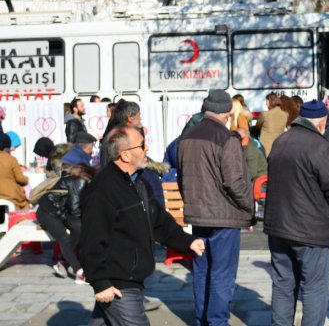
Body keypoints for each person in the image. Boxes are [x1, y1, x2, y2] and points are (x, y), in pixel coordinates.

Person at [81, 126, 205, 325]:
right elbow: (92, 240)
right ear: (126, 154)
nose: (147, 148)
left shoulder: (139, 182)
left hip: (133, 276)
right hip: (118, 280)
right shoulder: (102, 190)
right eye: (142, 145)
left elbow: (158, 221)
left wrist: (187, 242)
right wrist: (101, 283)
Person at [176, 89, 254, 326]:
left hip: (199, 216)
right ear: (228, 112)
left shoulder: (186, 137)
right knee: (222, 274)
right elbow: (234, 182)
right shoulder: (226, 138)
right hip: (224, 216)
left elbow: (182, 177)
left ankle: (202, 320)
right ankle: (217, 322)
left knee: (201, 271)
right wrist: (248, 207)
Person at [265, 100, 329, 326]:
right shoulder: (319, 146)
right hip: (310, 230)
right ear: (321, 123)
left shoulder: (280, 141)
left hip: (278, 227)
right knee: (315, 289)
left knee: (282, 285)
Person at [39, 131, 98, 283]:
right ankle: (79, 271)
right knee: (64, 236)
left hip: (62, 210)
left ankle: (63, 262)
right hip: (48, 211)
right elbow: (75, 208)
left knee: (79, 227)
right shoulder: (80, 181)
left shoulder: (83, 177)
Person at [0, 132, 30, 210]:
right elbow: (20, 178)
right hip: (9, 193)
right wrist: (27, 179)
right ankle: (20, 220)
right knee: (25, 202)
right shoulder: (11, 159)